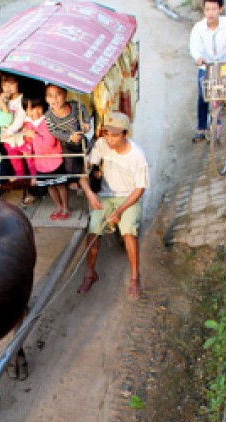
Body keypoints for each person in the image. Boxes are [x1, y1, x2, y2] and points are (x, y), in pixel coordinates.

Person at [77, 112, 149, 301]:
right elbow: (83, 175)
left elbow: (140, 189)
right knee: (93, 233)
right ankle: (90, 273)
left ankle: (135, 276)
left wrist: (119, 211)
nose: (109, 138)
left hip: (128, 198)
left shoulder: (137, 155)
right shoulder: (101, 145)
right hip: (105, 197)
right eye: (107, 133)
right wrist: (90, 193)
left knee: (128, 232)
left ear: (125, 134)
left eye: (114, 135)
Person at [188, 0, 226, 142]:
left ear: (220, 9)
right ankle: (201, 128)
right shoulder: (199, 27)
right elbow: (194, 46)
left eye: (214, 9)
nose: (210, 13)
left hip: (225, 65)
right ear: (204, 10)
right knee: (203, 94)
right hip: (207, 66)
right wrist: (198, 57)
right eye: (207, 9)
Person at [45, 84, 91, 216]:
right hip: (67, 143)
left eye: (58, 95)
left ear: (66, 95)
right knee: (70, 163)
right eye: (50, 96)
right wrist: (70, 137)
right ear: (46, 99)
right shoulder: (49, 116)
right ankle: (74, 182)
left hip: (81, 140)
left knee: (86, 160)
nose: (55, 99)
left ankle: (87, 179)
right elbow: (54, 131)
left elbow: (84, 110)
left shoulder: (75, 106)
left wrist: (86, 122)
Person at [22, 95, 69, 219]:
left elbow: (50, 143)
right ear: (25, 110)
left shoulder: (47, 121)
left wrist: (34, 136)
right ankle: (58, 207)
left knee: (60, 185)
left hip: (54, 160)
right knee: (50, 186)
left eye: (37, 108)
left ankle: (65, 208)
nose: (34, 112)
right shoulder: (27, 124)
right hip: (40, 163)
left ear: (43, 108)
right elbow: (29, 144)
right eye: (30, 109)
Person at [0, 73, 34, 203]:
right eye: (5, 84)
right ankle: (24, 188)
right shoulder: (1, 100)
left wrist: (10, 131)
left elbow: (21, 118)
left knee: (30, 161)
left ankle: (35, 182)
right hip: (9, 140)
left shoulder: (22, 99)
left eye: (12, 83)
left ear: (18, 84)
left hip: (22, 137)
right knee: (16, 163)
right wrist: (2, 100)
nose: (8, 87)